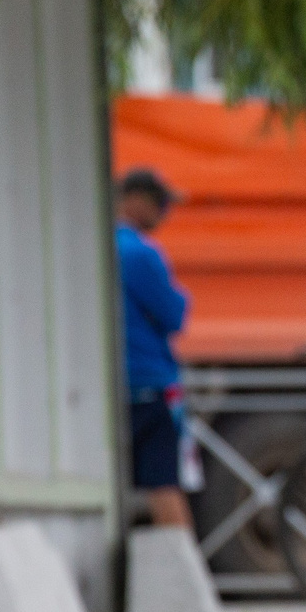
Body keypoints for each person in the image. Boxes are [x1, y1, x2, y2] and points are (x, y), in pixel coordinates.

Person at [115, 166, 193, 530]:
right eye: (160, 204)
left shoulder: (101, 246)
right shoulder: (141, 253)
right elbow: (174, 314)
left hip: (115, 384)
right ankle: (183, 576)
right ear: (134, 201)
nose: (165, 214)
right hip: (149, 381)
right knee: (164, 485)